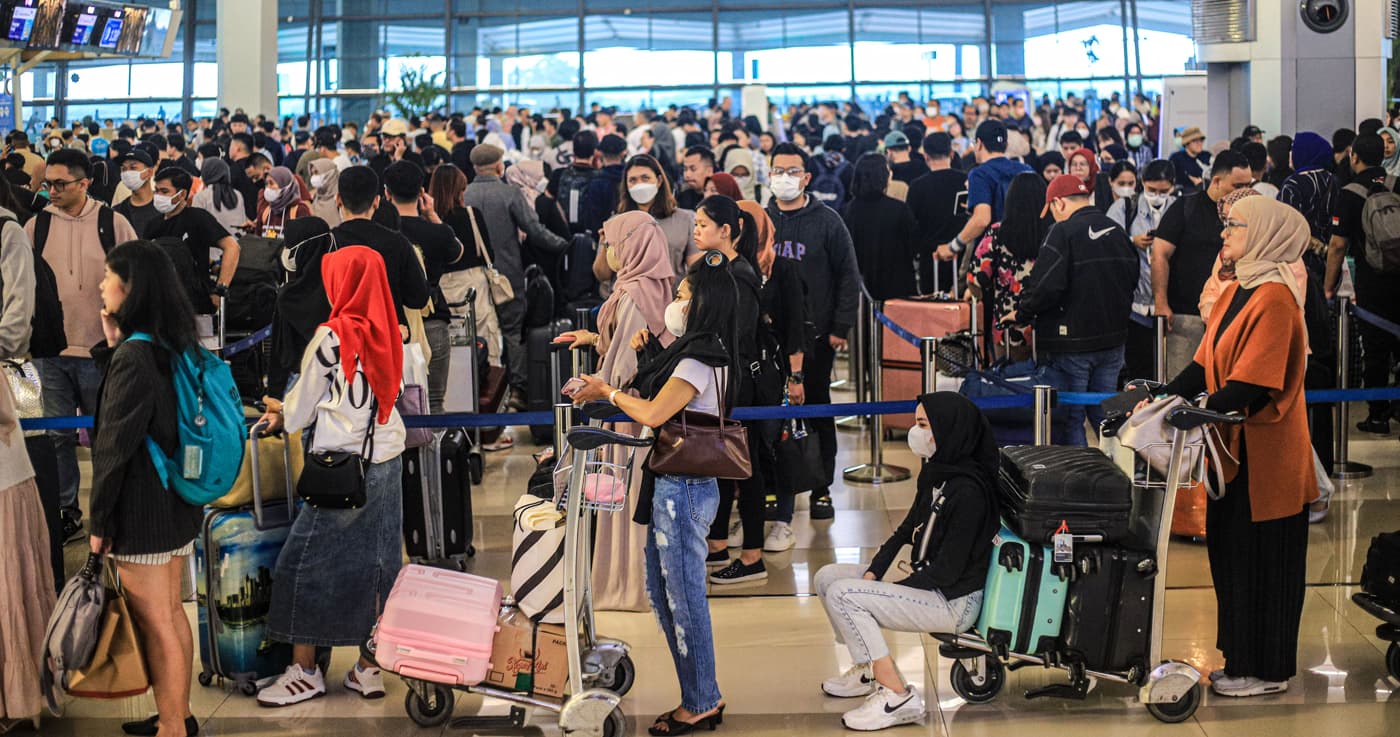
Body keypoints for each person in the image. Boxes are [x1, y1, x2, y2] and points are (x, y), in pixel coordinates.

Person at [570, 251, 739, 736]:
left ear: (702, 303)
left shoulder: (700, 358)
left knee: (684, 600)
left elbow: (652, 414)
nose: (675, 302)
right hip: (674, 487)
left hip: (681, 492)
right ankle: (699, 692)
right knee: (665, 596)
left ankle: (702, 699)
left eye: (684, 296)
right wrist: (646, 359)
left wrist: (608, 392)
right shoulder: (698, 351)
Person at [1154, 196, 1317, 698]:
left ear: (1267, 234)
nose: (1224, 233)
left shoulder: (1276, 299)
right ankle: (1239, 658)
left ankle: (1266, 670)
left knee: (1262, 559)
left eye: (1235, 226)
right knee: (1230, 555)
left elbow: (1252, 384)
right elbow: (1204, 363)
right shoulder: (1237, 290)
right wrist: (1161, 394)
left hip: (1267, 459)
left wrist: (1197, 407)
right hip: (1231, 451)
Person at [257, 246, 406, 708]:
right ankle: (368, 667)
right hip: (387, 458)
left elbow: (300, 409)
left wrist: (280, 412)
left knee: (304, 565)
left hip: (339, 468)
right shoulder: (393, 333)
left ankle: (304, 671)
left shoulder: (331, 337)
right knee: (379, 565)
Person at [814, 392, 996, 732]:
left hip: (952, 600)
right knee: (827, 577)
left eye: (923, 425)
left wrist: (890, 589)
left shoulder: (969, 491)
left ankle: (898, 696)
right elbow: (904, 530)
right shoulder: (939, 472)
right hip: (930, 581)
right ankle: (868, 670)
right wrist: (875, 571)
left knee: (845, 595)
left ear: (948, 429)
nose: (916, 432)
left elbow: (948, 570)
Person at [88, 240, 205, 737]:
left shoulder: (136, 356)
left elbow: (113, 450)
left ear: (130, 288)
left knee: (157, 620)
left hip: (143, 509)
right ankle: (176, 714)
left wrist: (99, 524)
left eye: (108, 277)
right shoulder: (168, 341)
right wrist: (113, 341)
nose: (100, 285)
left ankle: (172, 726)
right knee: (171, 615)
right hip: (174, 499)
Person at [27, 149, 139, 544]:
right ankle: (65, 511)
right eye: (48, 184)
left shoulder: (114, 222)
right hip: (50, 353)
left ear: (84, 183)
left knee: (108, 435)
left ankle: (111, 511)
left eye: (60, 184)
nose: (52, 191)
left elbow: (138, 279)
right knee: (55, 437)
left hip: (102, 351)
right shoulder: (36, 226)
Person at [766, 143, 861, 521]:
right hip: (770, 340)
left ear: (806, 177)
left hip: (817, 337)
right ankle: (774, 491)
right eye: (778, 170)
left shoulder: (828, 221)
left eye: (792, 171)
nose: (784, 178)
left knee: (818, 412)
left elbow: (848, 276)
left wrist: (840, 327)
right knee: (770, 417)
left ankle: (822, 489)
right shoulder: (761, 219)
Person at [1010, 175, 1137, 446]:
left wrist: (1021, 314)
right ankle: (1113, 477)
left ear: (1058, 203)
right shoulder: (1116, 231)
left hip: (1071, 345)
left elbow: (1045, 287)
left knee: (1071, 417)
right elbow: (1132, 279)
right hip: (1113, 342)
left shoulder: (1062, 232)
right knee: (1106, 417)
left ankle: (1080, 485)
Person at [464, 144, 568, 408]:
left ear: (475, 167)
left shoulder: (464, 195)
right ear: (500, 166)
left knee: (480, 333)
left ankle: (483, 392)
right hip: (508, 275)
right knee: (513, 332)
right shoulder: (509, 193)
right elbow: (535, 231)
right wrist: (565, 245)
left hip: (473, 278)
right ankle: (518, 392)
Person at [1152, 150, 1252, 376]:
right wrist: (1161, 302)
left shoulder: (1251, 215)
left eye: (1249, 185)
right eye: (1237, 186)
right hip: (1187, 317)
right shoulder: (1184, 208)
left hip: (1234, 318)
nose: (1245, 192)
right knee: (1182, 389)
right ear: (1216, 181)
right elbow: (1159, 254)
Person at [1327, 134, 1400, 434]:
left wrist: (1328, 287)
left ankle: (1378, 415)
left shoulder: (1349, 193)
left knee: (1375, 349)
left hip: (1372, 280)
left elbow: (1337, 245)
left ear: (1354, 157)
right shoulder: (1397, 183)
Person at [385, 161, 464, 415]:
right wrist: (432, 215)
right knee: (434, 403)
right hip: (433, 322)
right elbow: (457, 252)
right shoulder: (438, 233)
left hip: (394, 327)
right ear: (422, 192)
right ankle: (434, 456)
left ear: (386, 194)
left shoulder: (384, 234)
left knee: (395, 406)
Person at [329, 166, 431, 328]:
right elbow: (418, 298)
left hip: (342, 339)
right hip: (390, 335)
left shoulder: (328, 242)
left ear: (338, 199)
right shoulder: (397, 242)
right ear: (376, 201)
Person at [1107, 159, 1177, 383]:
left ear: (1173, 187)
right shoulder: (1124, 208)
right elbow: (1107, 244)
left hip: (1167, 302)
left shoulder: (1178, 208)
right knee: (1136, 368)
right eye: (1151, 190)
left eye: (1163, 191)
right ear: (1142, 183)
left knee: (1166, 369)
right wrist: (1131, 241)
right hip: (1132, 305)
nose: (1157, 195)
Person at [967, 172, 1050, 359]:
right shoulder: (1055, 232)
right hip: (1048, 328)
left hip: (1007, 328)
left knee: (1009, 382)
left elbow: (976, 278)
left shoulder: (998, 233)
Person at [261, 217, 335, 423]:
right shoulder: (339, 290)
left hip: (298, 385)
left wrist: (273, 399)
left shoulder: (289, 296)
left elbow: (279, 353)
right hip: (339, 383)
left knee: (300, 449)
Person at [431, 164, 502, 368]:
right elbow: (488, 253)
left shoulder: (428, 221)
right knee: (485, 341)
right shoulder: (472, 215)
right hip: (474, 284)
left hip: (442, 290)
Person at [144, 168, 242, 316]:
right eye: (156, 191)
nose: (158, 196)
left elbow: (232, 247)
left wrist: (220, 289)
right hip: (159, 302)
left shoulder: (198, 218)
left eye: (164, 191)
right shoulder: (152, 225)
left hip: (194, 303)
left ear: (182, 194)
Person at [935, 120, 1033, 264]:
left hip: (995, 256)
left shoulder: (980, 174)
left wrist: (953, 246)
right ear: (1005, 146)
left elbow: (981, 219)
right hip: (1028, 252)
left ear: (979, 143)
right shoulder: (1027, 170)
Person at [603, 153, 699, 284]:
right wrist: (607, 243)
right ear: (626, 185)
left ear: (659, 181)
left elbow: (696, 270)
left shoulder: (686, 219)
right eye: (633, 180)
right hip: (629, 300)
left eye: (645, 178)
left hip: (671, 299)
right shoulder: (616, 222)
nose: (639, 184)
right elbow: (602, 275)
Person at [843, 153, 917, 300]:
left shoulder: (848, 210)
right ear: (882, 176)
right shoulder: (899, 209)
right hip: (897, 287)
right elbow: (913, 245)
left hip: (859, 288)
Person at [905, 133, 967, 294]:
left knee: (931, 311)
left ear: (926, 156)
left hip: (930, 258)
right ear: (951, 154)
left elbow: (911, 226)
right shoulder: (966, 181)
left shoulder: (917, 186)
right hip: (962, 256)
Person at [1278, 132, 1341, 275]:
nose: (1290, 153)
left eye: (1293, 148)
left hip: (1300, 262)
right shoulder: (1333, 180)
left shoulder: (1292, 184)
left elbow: (1286, 228)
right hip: (1329, 259)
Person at [192, 158, 249, 237]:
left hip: (212, 247)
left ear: (206, 173)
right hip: (237, 246)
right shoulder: (238, 195)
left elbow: (195, 229)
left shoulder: (201, 197)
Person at [113, 149, 160, 237]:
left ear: (149, 172)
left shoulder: (164, 207)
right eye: (123, 169)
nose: (127, 173)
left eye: (133, 168)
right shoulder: (117, 212)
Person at [1169, 126, 1210, 191]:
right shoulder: (1176, 158)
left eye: (1201, 140)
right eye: (1195, 141)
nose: (1199, 143)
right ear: (1186, 143)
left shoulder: (1206, 156)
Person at [677, 145, 716, 211]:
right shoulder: (682, 197)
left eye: (693, 169)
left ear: (709, 171)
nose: (687, 175)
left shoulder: (719, 197)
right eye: (685, 169)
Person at [307, 158, 342, 227]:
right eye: (312, 173)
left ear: (330, 174)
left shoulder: (340, 198)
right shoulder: (315, 197)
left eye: (316, 172)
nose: (313, 177)